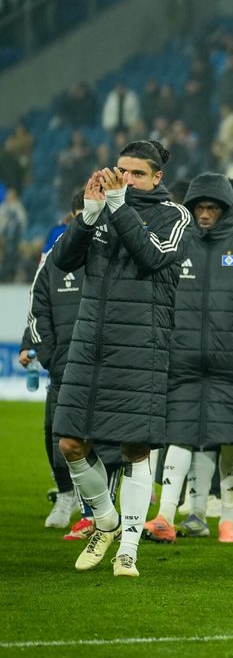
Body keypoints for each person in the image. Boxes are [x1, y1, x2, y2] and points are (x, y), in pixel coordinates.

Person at [50, 139, 190, 577]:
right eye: (121, 170)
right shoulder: (105, 209)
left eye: (135, 174)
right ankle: (106, 520)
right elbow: (63, 262)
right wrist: (89, 215)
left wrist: (116, 205)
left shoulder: (175, 216)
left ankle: (128, 547)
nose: (125, 179)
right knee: (71, 442)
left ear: (156, 177)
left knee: (135, 448)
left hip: (141, 345)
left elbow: (152, 256)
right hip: (90, 341)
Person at [144, 173, 233, 544]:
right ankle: (165, 517)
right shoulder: (176, 244)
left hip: (231, 364)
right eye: (199, 207)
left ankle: (227, 521)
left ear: (226, 210)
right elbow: (155, 296)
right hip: (182, 362)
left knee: (232, 440)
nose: (204, 214)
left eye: (212, 208)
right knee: (179, 436)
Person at [24, 191, 123, 534]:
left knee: (106, 442)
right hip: (63, 367)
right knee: (58, 438)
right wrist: (48, 355)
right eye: (83, 213)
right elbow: (38, 309)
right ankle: (67, 495)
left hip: (106, 368)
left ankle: (97, 512)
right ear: (73, 217)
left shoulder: (113, 253)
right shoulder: (55, 256)